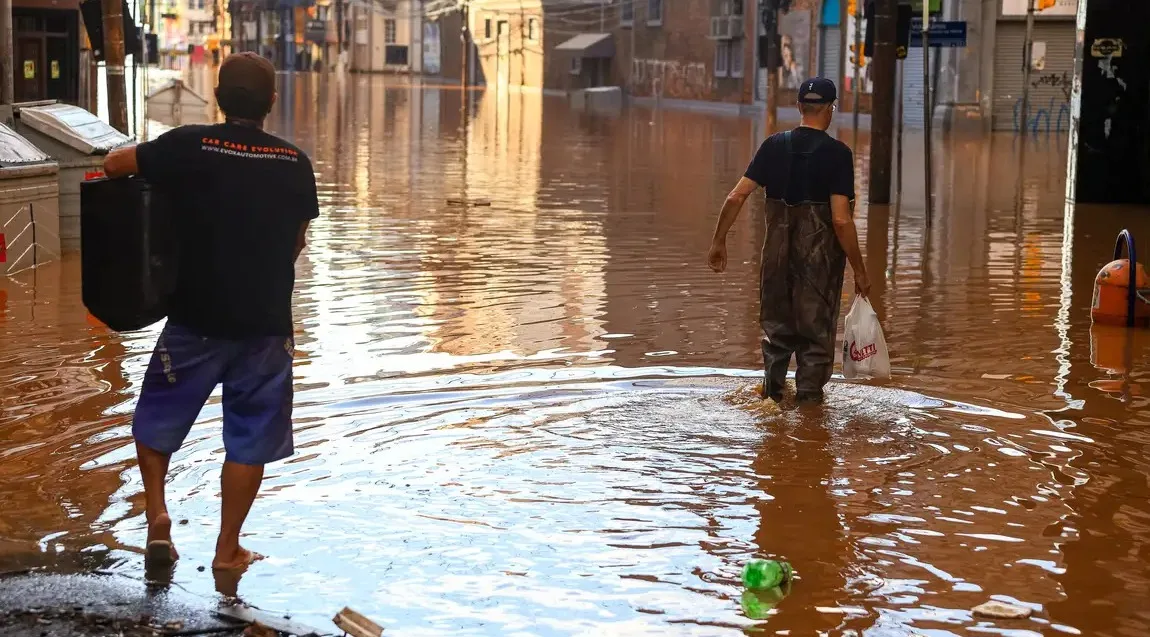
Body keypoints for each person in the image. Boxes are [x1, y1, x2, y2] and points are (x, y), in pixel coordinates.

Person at [102, 52, 319, 571]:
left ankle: (157, 514)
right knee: (250, 438)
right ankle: (227, 550)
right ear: (272, 102)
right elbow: (296, 243)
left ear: (218, 98)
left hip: (195, 318)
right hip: (265, 326)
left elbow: (114, 166)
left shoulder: (188, 145)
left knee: (156, 419)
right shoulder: (295, 163)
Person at [707, 77, 869, 403]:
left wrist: (718, 242)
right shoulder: (837, 155)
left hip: (775, 263)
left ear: (798, 107)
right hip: (818, 269)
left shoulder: (772, 146)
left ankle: (772, 402)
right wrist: (860, 270)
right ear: (830, 110)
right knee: (814, 342)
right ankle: (809, 423)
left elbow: (736, 196)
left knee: (777, 337)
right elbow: (840, 219)